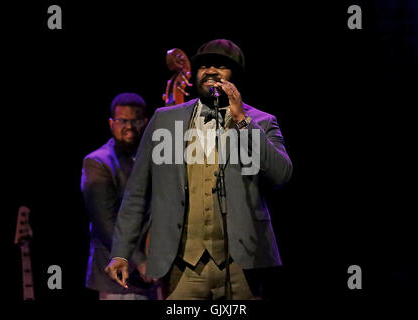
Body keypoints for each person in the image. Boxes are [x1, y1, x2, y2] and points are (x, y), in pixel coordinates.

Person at [105, 39, 293, 300]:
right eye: (204, 65)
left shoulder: (261, 121)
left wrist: (242, 122)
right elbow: (136, 192)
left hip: (242, 265)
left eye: (221, 67)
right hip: (184, 265)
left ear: (236, 76)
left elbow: (281, 174)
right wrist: (121, 251)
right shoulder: (164, 119)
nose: (211, 71)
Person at [81, 92, 158, 300]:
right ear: (111, 123)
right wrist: (140, 261)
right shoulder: (98, 162)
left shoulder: (153, 159)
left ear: (146, 122)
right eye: (122, 121)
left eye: (136, 121)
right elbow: (106, 224)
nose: (129, 127)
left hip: (154, 276)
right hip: (118, 280)